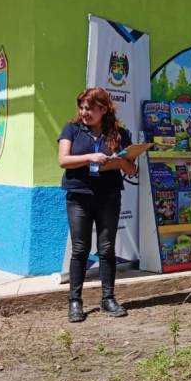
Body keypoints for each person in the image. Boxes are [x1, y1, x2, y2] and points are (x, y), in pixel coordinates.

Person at [58, 87, 136, 323]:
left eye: (89, 108)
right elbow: (63, 160)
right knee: (80, 248)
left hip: (109, 196)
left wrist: (122, 161)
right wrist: (90, 158)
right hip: (79, 196)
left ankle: (108, 298)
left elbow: (132, 170)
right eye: (81, 107)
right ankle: (75, 301)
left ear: (103, 109)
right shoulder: (71, 129)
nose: (84, 112)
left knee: (106, 248)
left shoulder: (119, 133)